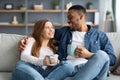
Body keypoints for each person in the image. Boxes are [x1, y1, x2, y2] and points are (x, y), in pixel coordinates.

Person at [19, 5, 116, 80]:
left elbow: (112, 59)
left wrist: (89, 55)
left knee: (102, 55)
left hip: (90, 69)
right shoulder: (65, 31)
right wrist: (26, 38)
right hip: (70, 70)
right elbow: (43, 33)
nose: (68, 21)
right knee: (68, 66)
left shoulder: (100, 35)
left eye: (70, 17)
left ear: (81, 17)